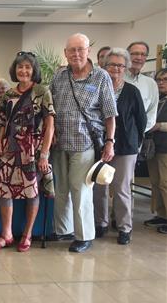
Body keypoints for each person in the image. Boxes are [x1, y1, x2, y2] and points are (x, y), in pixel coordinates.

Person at [50, 33, 117, 253]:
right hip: (59, 144)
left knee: (80, 191)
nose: (76, 54)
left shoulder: (101, 77)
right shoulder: (59, 76)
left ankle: (84, 235)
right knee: (61, 190)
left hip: (85, 143)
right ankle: (64, 230)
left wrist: (109, 142)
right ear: (65, 53)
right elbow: (49, 111)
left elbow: (110, 114)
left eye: (81, 49)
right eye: (72, 50)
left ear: (88, 51)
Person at [0, 52, 55, 252]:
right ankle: (6, 234)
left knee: (31, 191)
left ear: (34, 70)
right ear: (14, 70)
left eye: (27, 67)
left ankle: (27, 234)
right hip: (9, 148)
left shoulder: (42, 91)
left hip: (32, 149)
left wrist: (44, 154)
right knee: (4, 189)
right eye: (20, 67)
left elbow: (50, 125)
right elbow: (2, 122)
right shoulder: (8, 94)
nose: (23, 70)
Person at [93, 48, 147, 245]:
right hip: (99, 145)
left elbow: (141, 121)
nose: (116, 68)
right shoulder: (97, 88)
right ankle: (101, 223)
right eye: (112, 64)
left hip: (126, 147)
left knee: (121, 188)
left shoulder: (132, 91)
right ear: (104, 66)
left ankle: (125, 228)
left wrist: (136, 143)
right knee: (99, 187)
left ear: (125, 68)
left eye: (120, 65)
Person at [146, 68, 167, 233]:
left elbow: (158, 123)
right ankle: (162, 214)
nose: (161, 83)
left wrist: (159, 126)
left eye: (165, 79)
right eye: (159, 79)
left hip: (166, 148)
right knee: (155, 182)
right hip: (153, 148)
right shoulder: (157, 99)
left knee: (165, 184)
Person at [125, 41, 159, 133]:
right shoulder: (115, 78)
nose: (139, 57)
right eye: (135, 53)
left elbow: (151, 115)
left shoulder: (151, 84)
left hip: (136, 139)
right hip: (110, 137)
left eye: (143, 54)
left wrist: (136, 133)